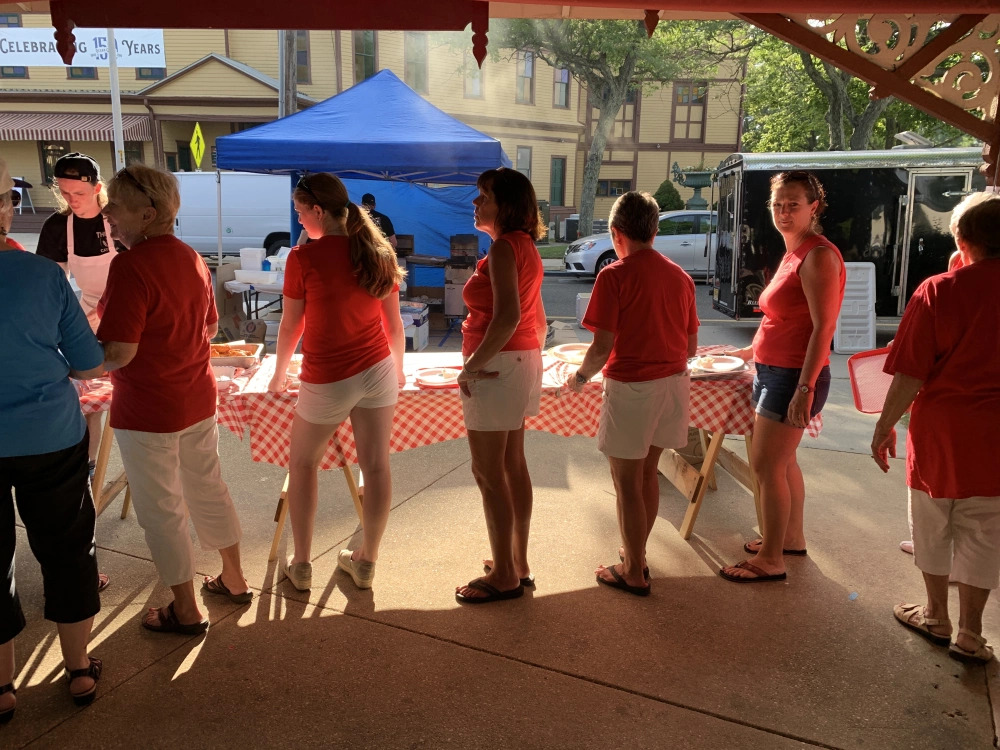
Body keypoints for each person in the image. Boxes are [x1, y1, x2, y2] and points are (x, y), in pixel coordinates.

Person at [97, 164, 251, 634]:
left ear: (147, 214)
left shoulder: (130, 265)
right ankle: (234, 577)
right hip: (195, 397)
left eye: (116, 205)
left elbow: (119, 353)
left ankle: (185, 608)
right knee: (208, 487)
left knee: (161, 508)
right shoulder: (189, 257)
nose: (108, 213)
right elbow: (207, 328)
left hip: (148, 407)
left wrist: (74, 360)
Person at [873, 193, 1000, 664]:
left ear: (962, 242)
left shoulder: (939, 290)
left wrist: (883, 427)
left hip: (941, 434)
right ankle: (971, 633)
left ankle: (936, 616)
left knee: (932, 525)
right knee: (984, 533)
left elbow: (910, 372)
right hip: (995, 443)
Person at [1, 157, 105, 720]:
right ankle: (80, 670)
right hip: (48, 435)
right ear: (6, 210)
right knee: (67, 550)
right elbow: (88, 363)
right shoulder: (41, 276)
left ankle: (1, 685)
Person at [269, 173, 405, 592]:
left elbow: (292, 326)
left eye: (299, 211)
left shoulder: (303, 258)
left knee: (303, 463)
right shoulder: (378, 251)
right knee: (377, 466)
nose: (297, 219)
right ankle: (367, 560)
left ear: (318, 211)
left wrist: (277, 375)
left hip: (329, 377)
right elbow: (394, 327)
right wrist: (397, 371)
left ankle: (304, 563)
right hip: (378, 370)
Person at [568, 191, 698, 596]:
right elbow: (691, 348)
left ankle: (634, 569)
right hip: (673, 385)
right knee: (647, 474)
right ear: (656, 232)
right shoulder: (681, 276)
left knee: (626, 482)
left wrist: (578, 378)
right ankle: (636, 557)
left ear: (614, 233)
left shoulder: (614, 275)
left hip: (632, 387)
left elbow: (601, 348)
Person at [720, 171, 845, 583]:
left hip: (793, 375)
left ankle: (771, 559)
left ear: (815, 207)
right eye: (778, 204)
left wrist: (805, 389)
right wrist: (749, 352)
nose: (784, 211)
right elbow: (779, 317)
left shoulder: (819, 256)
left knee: (766, 466)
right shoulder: (793, 252)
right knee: (783, 462)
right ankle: (790, 538)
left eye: (793, 203)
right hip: (772, 369)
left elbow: (822, 329)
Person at [455, 167, 547, 604]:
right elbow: (536, 318)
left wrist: (472, 365)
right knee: (513, 465)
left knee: (489, 473)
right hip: (520, 360)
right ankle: (516, 561)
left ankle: (506, 574)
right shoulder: (522, 245)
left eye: (484, 196)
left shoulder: (506, 249)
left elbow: (507, 316)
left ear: (506, 205)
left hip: (499, 365)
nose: (475, 203)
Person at [36, 153, 125, 486]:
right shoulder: (58, 226)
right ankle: (87, 466)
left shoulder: (117, 221)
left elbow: (138, 273)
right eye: (65, 193)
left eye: (80, 194)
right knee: (84, 393)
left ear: (98, 188)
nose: (72, 201)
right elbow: (52, 283)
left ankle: (138, 458)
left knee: (127, 389)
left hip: (126, 309)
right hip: (87, 313)